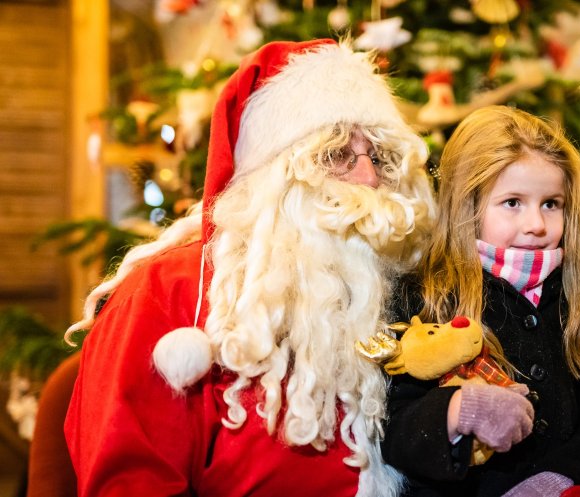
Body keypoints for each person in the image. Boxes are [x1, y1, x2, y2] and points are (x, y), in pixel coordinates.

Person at [64, 39, 436, 497]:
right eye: (336, 153)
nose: (369, 179)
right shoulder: (169, 293)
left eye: (379, 156)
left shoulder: (404, 286)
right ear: (272, 179)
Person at [381, 105, 580, 497]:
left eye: (551, 203)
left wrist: (557, 478)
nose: (536, 224)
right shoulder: (423, 295)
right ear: (468, 205)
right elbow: (394, 426)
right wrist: (457, 412)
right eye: (513, 202)